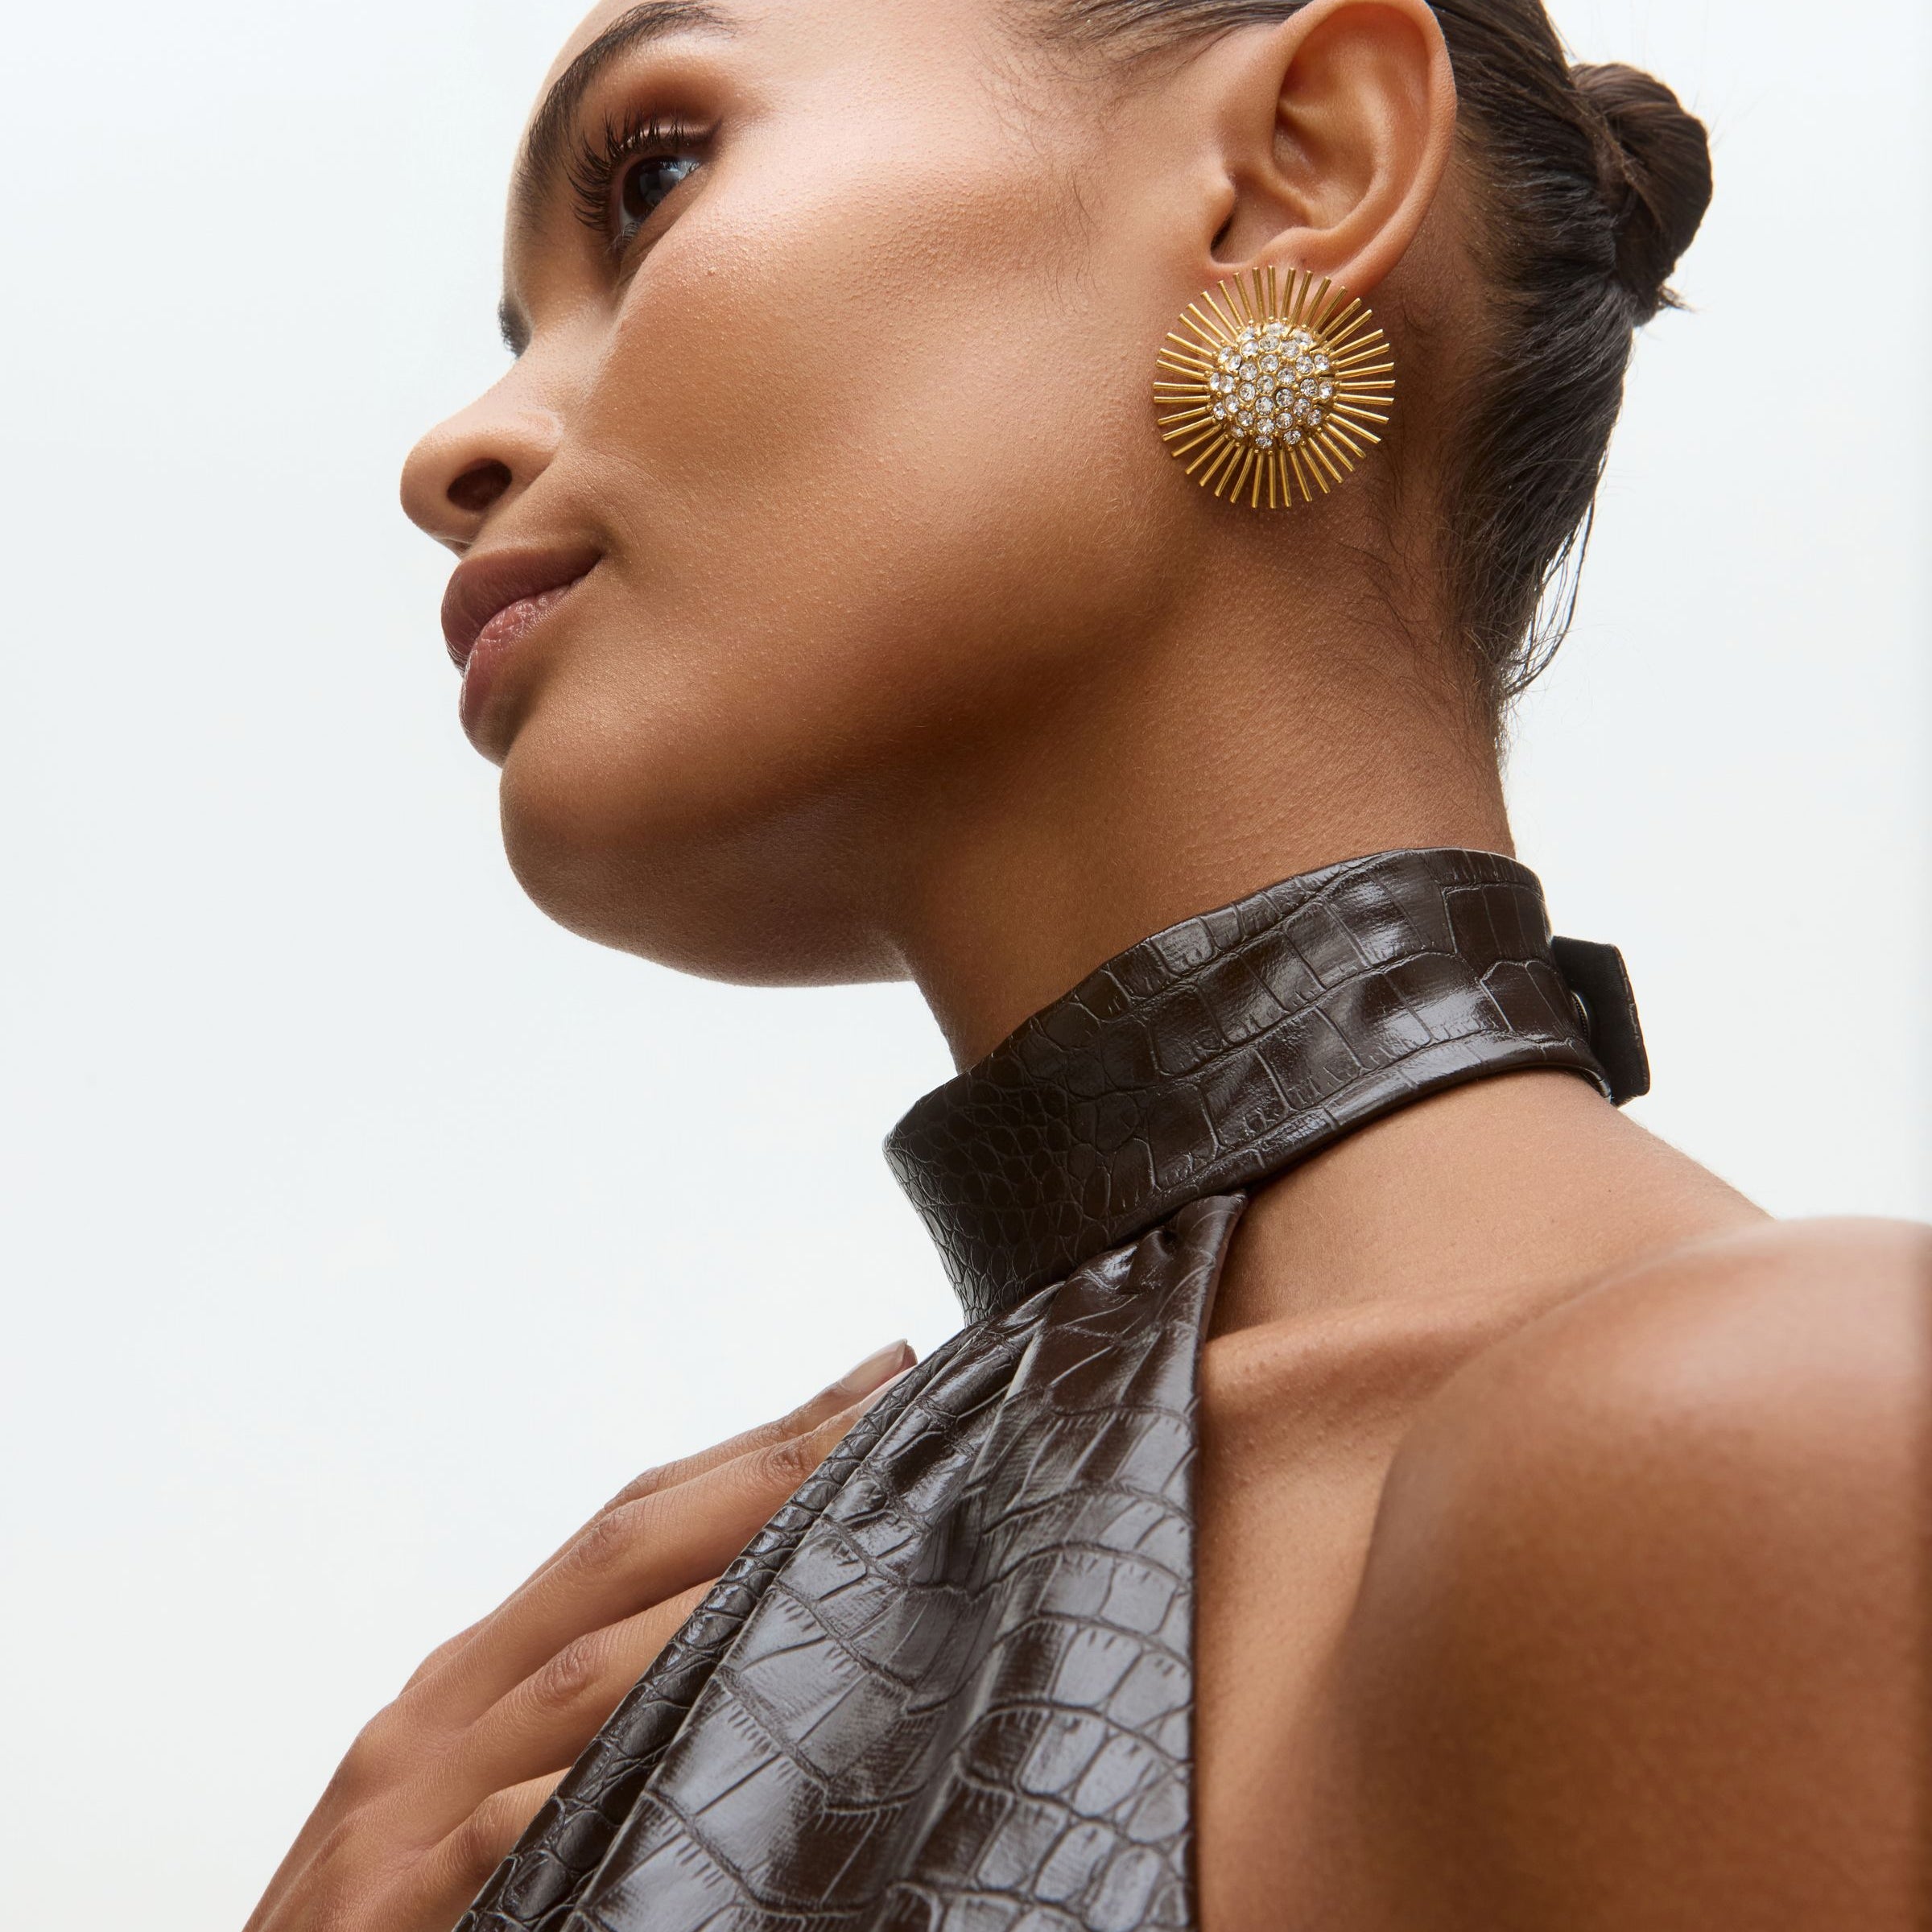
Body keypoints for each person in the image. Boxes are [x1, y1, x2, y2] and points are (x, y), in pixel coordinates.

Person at [246, 1, 1928, 1927]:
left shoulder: (1782, 1459)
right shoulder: (751, 1642)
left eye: (656, 177)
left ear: (1301, 163)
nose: (453, 452)